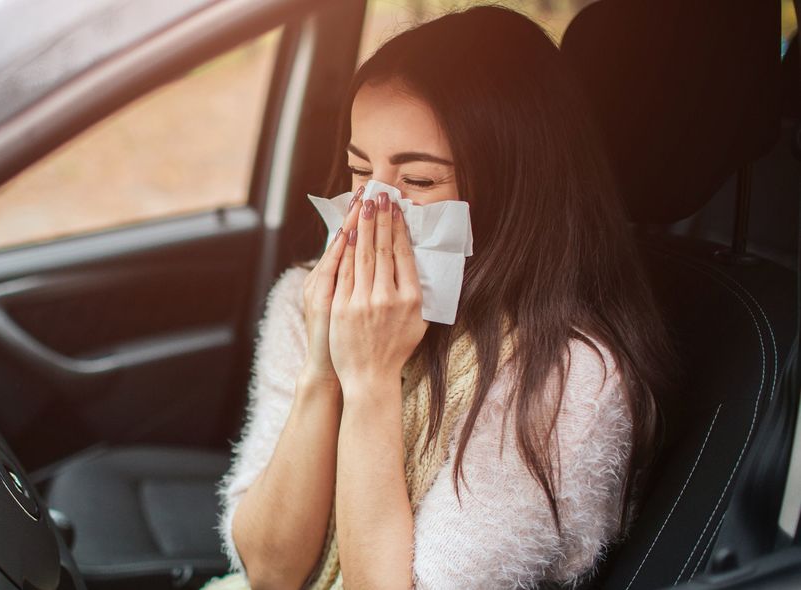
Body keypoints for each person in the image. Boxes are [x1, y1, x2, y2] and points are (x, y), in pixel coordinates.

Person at [204, 6, 672, 589]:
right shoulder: (310, 299)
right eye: (359, 170)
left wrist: (370, 381)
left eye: (419, 180)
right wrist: (324, 371)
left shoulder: (563, 377)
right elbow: (269, 572)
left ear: (513, 190)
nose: (372, 209)